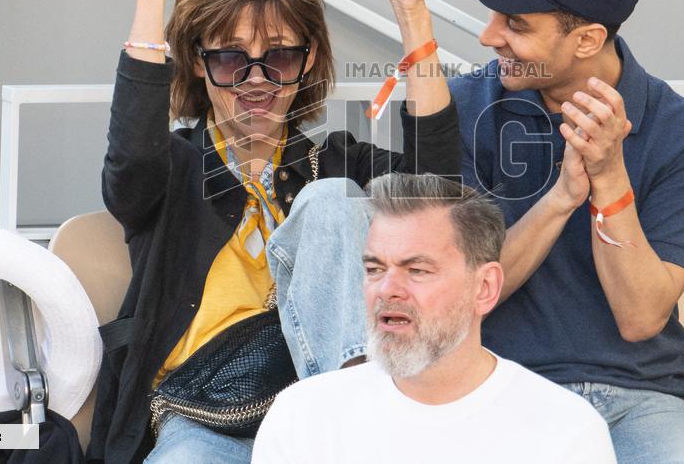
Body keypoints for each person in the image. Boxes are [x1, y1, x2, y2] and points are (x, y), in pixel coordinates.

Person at [89, 0, 459, 464]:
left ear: (308, 61)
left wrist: (412, 10)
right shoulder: (174, 169)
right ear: (198, 63)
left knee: (333, 198)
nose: (257, 81)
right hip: (206, 422)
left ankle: (354, 408)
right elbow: (130, 162)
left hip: (333, 428)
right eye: (232, 60)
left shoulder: (338, 162)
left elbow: (440, 197)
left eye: (280, 57)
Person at [444, 0, 684, 462]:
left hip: (643, 401)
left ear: (587, 40)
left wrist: (609, 173)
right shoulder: (462, 108)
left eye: (516, 23)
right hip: (496, 389)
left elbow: (641, 317)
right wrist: (559, 200)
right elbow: (455, 297)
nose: (488, 35)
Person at [252, 173, 616, 464]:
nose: (388, 289)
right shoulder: (303, 418)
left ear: (485, 287)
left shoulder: (566, 432)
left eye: (418, 270)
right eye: (375, 268)